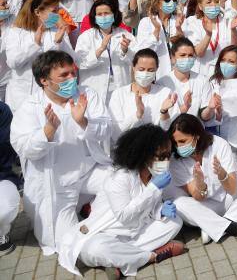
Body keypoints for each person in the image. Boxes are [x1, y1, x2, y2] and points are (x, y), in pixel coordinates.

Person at [10, 50, 112, 255]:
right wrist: (47, 132)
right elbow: (24, 148)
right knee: (64, 242)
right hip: (58, 185)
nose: (71, 79)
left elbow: (106, 128)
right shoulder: (30, 107)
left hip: (89, 171)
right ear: (44, 80)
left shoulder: (86, 95)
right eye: (63, 75)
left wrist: (83, 121)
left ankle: (91, 215)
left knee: (122, 184)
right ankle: (91, 229)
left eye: (72, 73)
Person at [58, 124, 185, 278]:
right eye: (161, 156)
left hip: (134, 234)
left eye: (168, 155)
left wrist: (160, 210)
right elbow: (125, 216)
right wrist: (153, 189)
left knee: (175, 222)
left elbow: (148, 209)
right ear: (144, 155)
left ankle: (121, 260)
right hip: (104, 234)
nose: (166, 161)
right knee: (97, 248)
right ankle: (152, 257)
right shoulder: (120, 178)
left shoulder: (154, 175)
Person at [167, 114, 237, 245]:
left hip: (229, 198)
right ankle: (235, 228)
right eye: (175, 142)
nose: (178, 147)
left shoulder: (219, 144)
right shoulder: (175, 161)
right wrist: (200, 184)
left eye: (182, 141)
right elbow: (198, 197)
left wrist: (222, 175)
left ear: (196, 135)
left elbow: (232, 188)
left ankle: (215, 225)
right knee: (180, 204)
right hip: (205, 206)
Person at [5, 0, 74, 112]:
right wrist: (35, 45)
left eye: (58, 11)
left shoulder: (56, 32)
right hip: (20, 97)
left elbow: (70, 61)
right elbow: (13, 62)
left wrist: (58, 43)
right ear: (37, 12)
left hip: (48, 98)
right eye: (53, 11)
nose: (57, 16)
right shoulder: (16, 32)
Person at [107, 49, 180, 142]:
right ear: (133, 68)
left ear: (157, 69)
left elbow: (170, 131)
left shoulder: (165, 93)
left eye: (150, 70)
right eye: (141, 69)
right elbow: (115, 133)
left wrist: (164, 112)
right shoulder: (119, 94)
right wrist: (138, 115)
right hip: (127, 151)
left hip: (156, 151)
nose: (145, 73)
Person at [75, 0, 135, 103]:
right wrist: (101, 49)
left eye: (107, 13)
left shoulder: (125, 35)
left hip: (119, 85)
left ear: (114, 15)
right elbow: (80, 63)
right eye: (99, 14)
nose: (103, 16)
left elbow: (135, 60)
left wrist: (125, 51)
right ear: (94, 17)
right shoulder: (86, 37)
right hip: (95, 87)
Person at [0, 101, 20, 256]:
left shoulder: (2, 111)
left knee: (5, 208)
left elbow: (7, 151)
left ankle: (1, 232)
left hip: (2, 176)